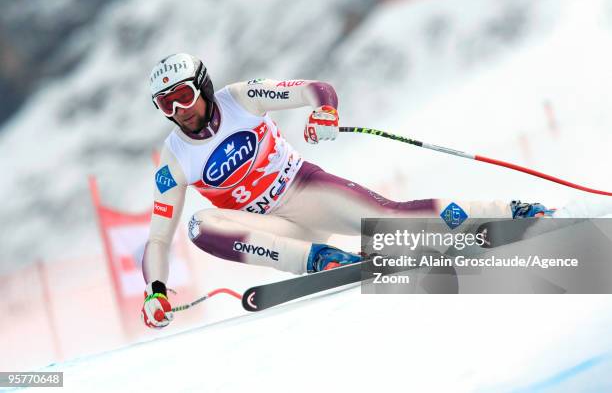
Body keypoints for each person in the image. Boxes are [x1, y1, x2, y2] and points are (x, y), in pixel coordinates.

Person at [141, 53, 554, 328]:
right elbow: (159, 237)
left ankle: (507, 211)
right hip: (273, 231)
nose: (179, 112)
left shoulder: (240, 98)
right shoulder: (175, 157)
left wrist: (324, 111)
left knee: (393, 220)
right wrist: (154, 292)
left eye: (183, 97)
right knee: (198, 225)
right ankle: (322, 261)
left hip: (305, 191)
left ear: (204, 87)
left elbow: (314, 89)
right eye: (165, 106)